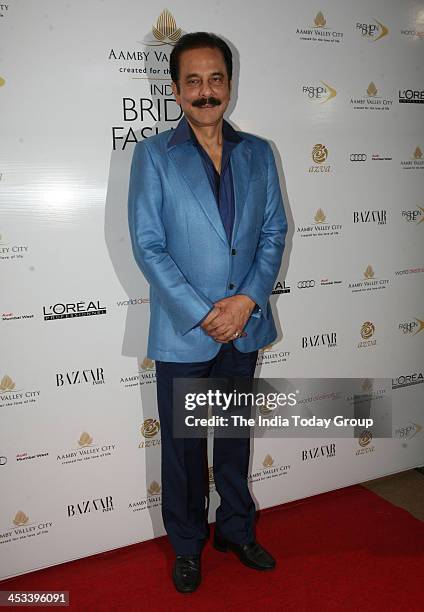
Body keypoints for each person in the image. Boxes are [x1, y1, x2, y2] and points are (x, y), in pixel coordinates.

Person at [128, 32, 288, 593]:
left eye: (215, 79)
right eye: (192, 81)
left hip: (243, 327)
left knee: (235, 438)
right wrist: (204, 314)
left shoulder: (259, 153)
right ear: (175, 90)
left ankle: (236, 530)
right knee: (184, 450)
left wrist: (245, 302)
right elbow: (148, 245)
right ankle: (189, 545)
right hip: (185, 331)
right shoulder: (153, 155)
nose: (205, 91)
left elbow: (273, 233)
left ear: (229, 84)